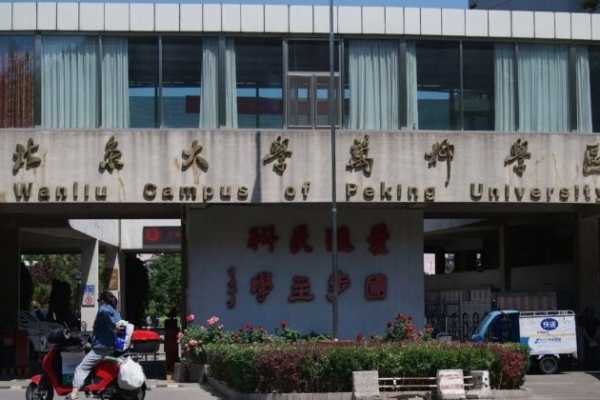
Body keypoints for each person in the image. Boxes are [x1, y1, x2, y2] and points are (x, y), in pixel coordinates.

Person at [66, 291, 122, 400]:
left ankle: (74, 394)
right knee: (88, 354)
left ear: (103, 301)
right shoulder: (116, 311)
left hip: (101, 347)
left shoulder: (104, 309)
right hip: (110, 346)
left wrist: (114, 325)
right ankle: (91, 385)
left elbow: (110, 320)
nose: (98, 303)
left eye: (98, 301)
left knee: (81, 367)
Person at [579, 306, 600, 371]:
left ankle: (588, 367)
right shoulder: (596, 320)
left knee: (588, 354)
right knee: (595, 354)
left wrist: (588, 338)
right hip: (595, 339)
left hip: (587, 340)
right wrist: (595, 338)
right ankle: (595, 366)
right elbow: (598, 330)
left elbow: (584, 331)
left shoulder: (585, 321)